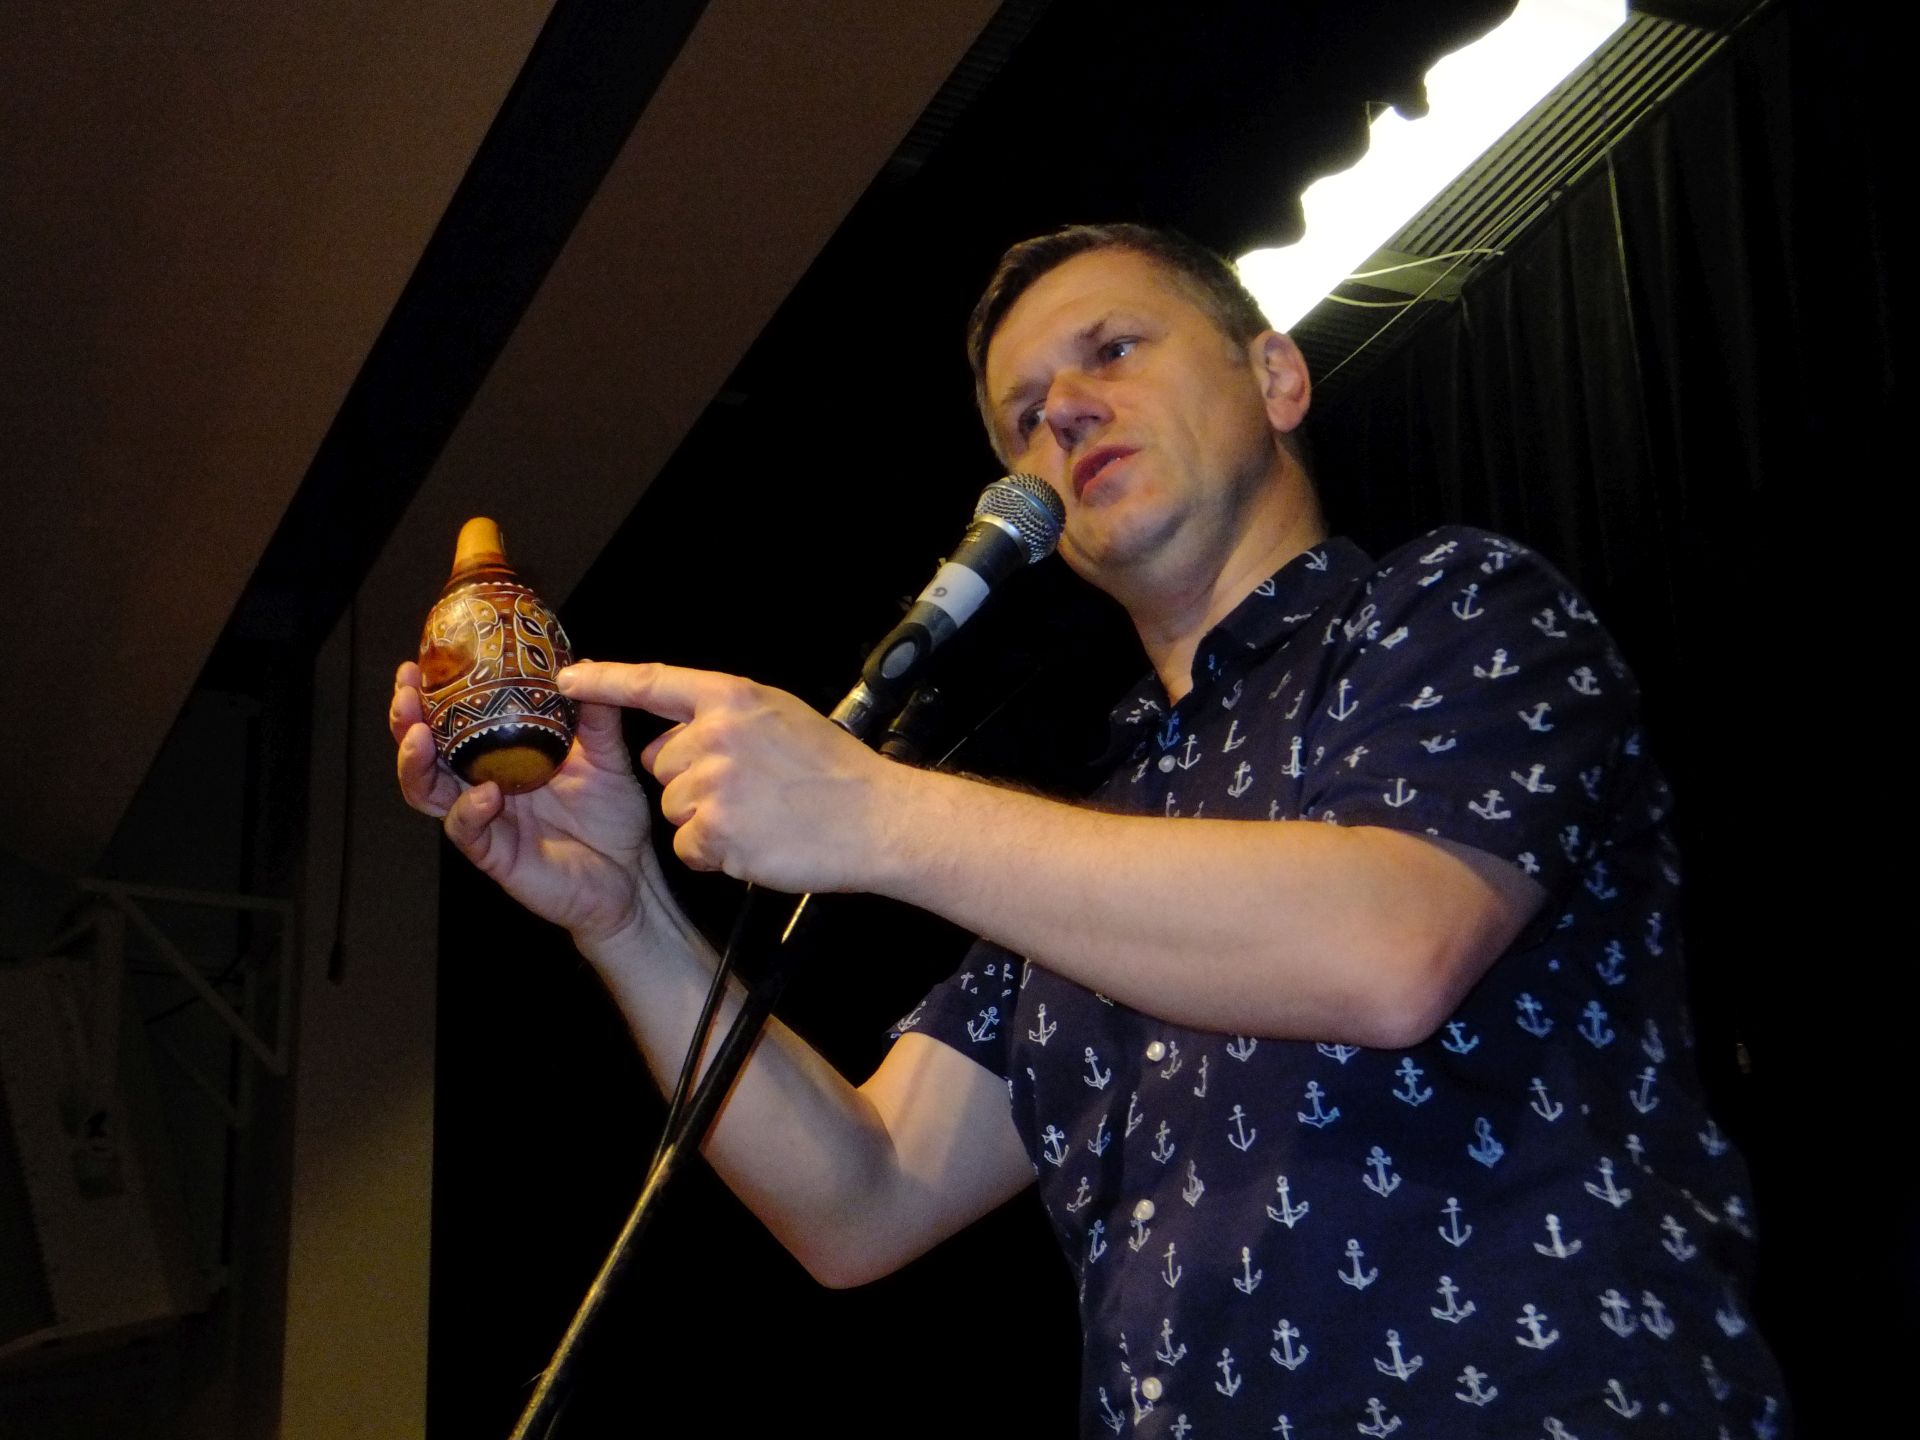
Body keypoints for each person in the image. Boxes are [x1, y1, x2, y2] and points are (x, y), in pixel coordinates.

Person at [392, 224, 1786, 1436]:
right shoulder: (1095, 832)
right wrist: (627, 913)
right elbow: (862, 1199)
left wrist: (875, 809)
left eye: (1113, 349)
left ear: (1276, 377)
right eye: (1019, 420)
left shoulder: (1456, 609)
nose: (1061, 413)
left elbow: (1389, 948)